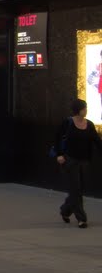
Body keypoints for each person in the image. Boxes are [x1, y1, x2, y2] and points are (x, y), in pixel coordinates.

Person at [54, 98, 101, 228]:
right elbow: (57, 138)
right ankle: (82, 219)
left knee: (80, 189)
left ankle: (65, 210)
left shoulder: (89, 125)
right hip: (70, 160)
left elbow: (97, 141)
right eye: (84, 108)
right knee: (76, 188)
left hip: (85, 160)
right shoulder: (67, 123)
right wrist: (59, 154)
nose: (86, 110)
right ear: (79, 110)